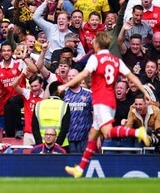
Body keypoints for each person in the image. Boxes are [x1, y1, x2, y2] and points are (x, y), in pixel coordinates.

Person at [59, 32, 152, 178]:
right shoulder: (116, 60)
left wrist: (65, 86)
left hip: (101, 100)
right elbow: (132, 76)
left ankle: (137, 132)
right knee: (92, 136)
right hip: (110, 101)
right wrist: (144, 91)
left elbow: (84, 74)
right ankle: (79, 169)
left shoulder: (95, 59)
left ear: (97, 44)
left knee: (108, 132)